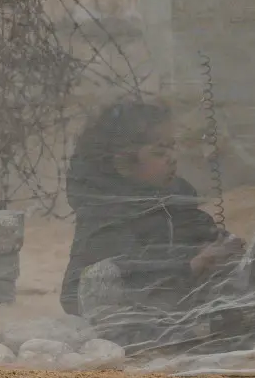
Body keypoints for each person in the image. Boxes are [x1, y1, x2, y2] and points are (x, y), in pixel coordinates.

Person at [61, 99, 245, 319]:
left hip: (176, 299)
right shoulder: (107, 211)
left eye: (172, 148)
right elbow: (125, 271)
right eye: (159, 152)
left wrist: (219, 244)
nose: (172, 159)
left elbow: (194, 231)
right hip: (122, 316)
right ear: (123, 162)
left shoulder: (174, 196)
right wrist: (189, 265)